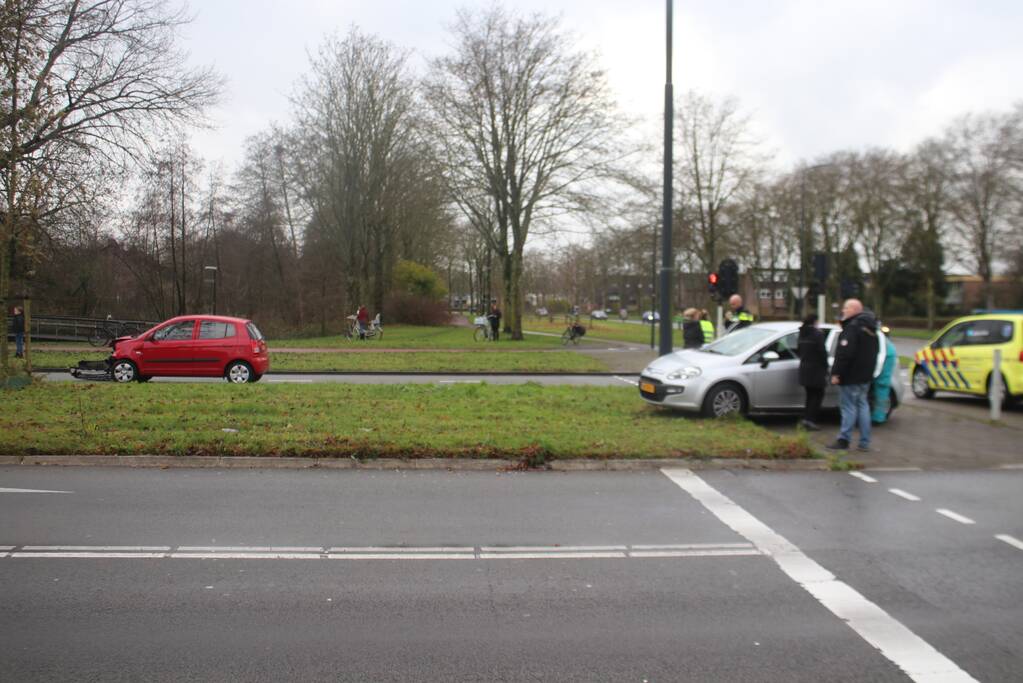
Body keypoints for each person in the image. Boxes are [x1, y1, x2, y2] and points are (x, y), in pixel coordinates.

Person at [827, 299, 880, 452]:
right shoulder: (871, 328)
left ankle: (844, 439)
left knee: (848, 408)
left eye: (846, 308)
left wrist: (836, 373)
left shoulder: (852, 328)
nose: (843, 310)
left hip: (850, 376)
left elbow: (844, 354)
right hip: (865, 376)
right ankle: (864, 442)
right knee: (863, 406)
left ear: (854, 310)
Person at [797, 313, 828, 431]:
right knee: (818, 395)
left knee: (810, 395)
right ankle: (811, 420)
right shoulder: (817, 334)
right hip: (816, 369)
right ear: (815, 321)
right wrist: (826, 368)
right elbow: (822, 353)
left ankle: (806, 419)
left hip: (804, 368)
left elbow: (799, 350)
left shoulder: (802, 333)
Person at [871, 326, 898, 424]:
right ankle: (878, 414)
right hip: (885, 355)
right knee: (880, 387)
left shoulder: (872, 330)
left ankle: (878, 417)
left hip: (886, 356)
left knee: (881, 386)